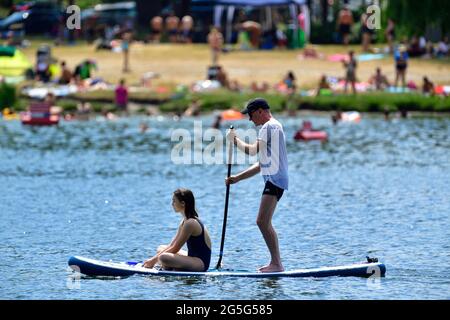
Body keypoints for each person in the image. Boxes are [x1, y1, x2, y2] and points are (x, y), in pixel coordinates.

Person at [226, 98, 288, 273]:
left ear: (260, 111)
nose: (250, 120)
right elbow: (261, 163)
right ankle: (276, 263)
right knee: (263, 221)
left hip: (275, 180)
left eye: (251, 115)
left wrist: (234, 140)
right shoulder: (274, 127)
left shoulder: (269, 127)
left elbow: (252, 151)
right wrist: (237, 178)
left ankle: (277, 264)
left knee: (262, 221)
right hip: (276, 179)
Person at [143, 189, 212, 272]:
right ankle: (170, 266)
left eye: (174, 201)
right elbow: (172, 245)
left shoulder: (191, 223)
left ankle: (168, 266)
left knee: (163, 257)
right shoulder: (184, 221)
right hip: (192, 258)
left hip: (200, 264)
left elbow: (176, 248)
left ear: (183, 203)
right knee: (161, 248)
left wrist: (152, 261)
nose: (172, 204)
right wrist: (153, 259)